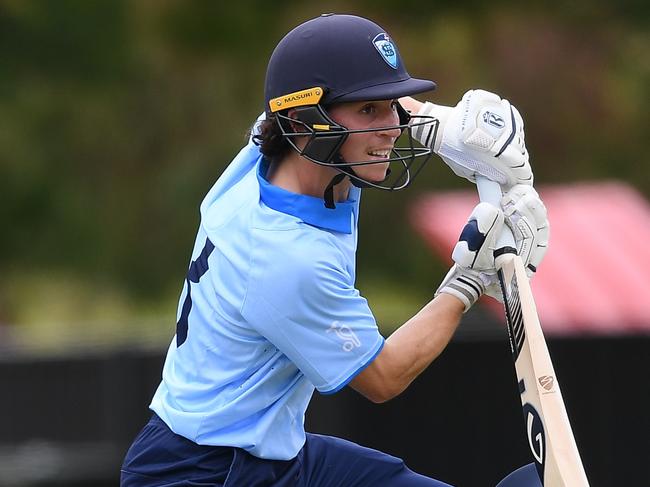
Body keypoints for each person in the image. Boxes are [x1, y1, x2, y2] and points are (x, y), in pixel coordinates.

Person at [120, 13, 549, 487]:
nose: (391, 127)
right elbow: (384, 377)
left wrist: (444, 127)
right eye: (370, 112)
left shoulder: (286, 149)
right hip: (203, 473)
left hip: (262, 453)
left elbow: (326, 98)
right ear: (305, 122)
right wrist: (468, 281)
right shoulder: (286, 257)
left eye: (392, 107)